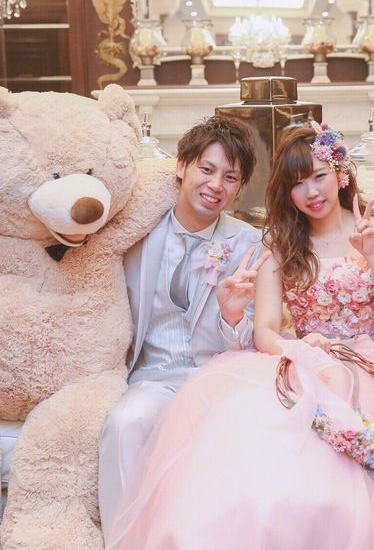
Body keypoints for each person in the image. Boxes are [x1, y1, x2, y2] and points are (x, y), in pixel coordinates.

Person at [106, 124, 374, 549]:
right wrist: (298, 349)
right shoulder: (279, 244)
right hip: (311, 362)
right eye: (297, 183)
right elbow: (265, 331)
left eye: (319, 176)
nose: (311, 191)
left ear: (341, 174)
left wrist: (373, 257)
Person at [98, 115, 269, 541]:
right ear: (181, 166)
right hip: (154, 376)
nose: (216, 185)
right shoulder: (136, 235)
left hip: (219, 377)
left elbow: (254, 342)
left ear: (239, 188)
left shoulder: (249, 244)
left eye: (230, 177)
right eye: (206, 169)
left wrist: (232, 316)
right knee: (125, 423)